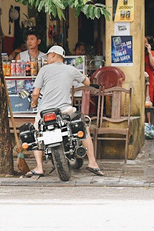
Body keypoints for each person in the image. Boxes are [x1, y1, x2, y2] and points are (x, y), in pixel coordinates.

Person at [28, 45, 103, 177]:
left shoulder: (44, 70)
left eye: (48, 56)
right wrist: (83, 76)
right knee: (82, 128)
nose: (46, 59)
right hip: (65, 110)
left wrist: (34, 103)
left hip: (44, 111)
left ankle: (39, 167)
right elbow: (87, 82)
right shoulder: (71, 69)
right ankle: (92, 163)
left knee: (37, 134)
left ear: (53, 55)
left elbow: (35, 93)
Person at [144, 36, 154, 108]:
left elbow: (153, 64)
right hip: (140, 78)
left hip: (149, 79)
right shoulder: (139, 54)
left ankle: (149, 119)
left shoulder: (153, 53)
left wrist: (149, 52)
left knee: (148, 101)